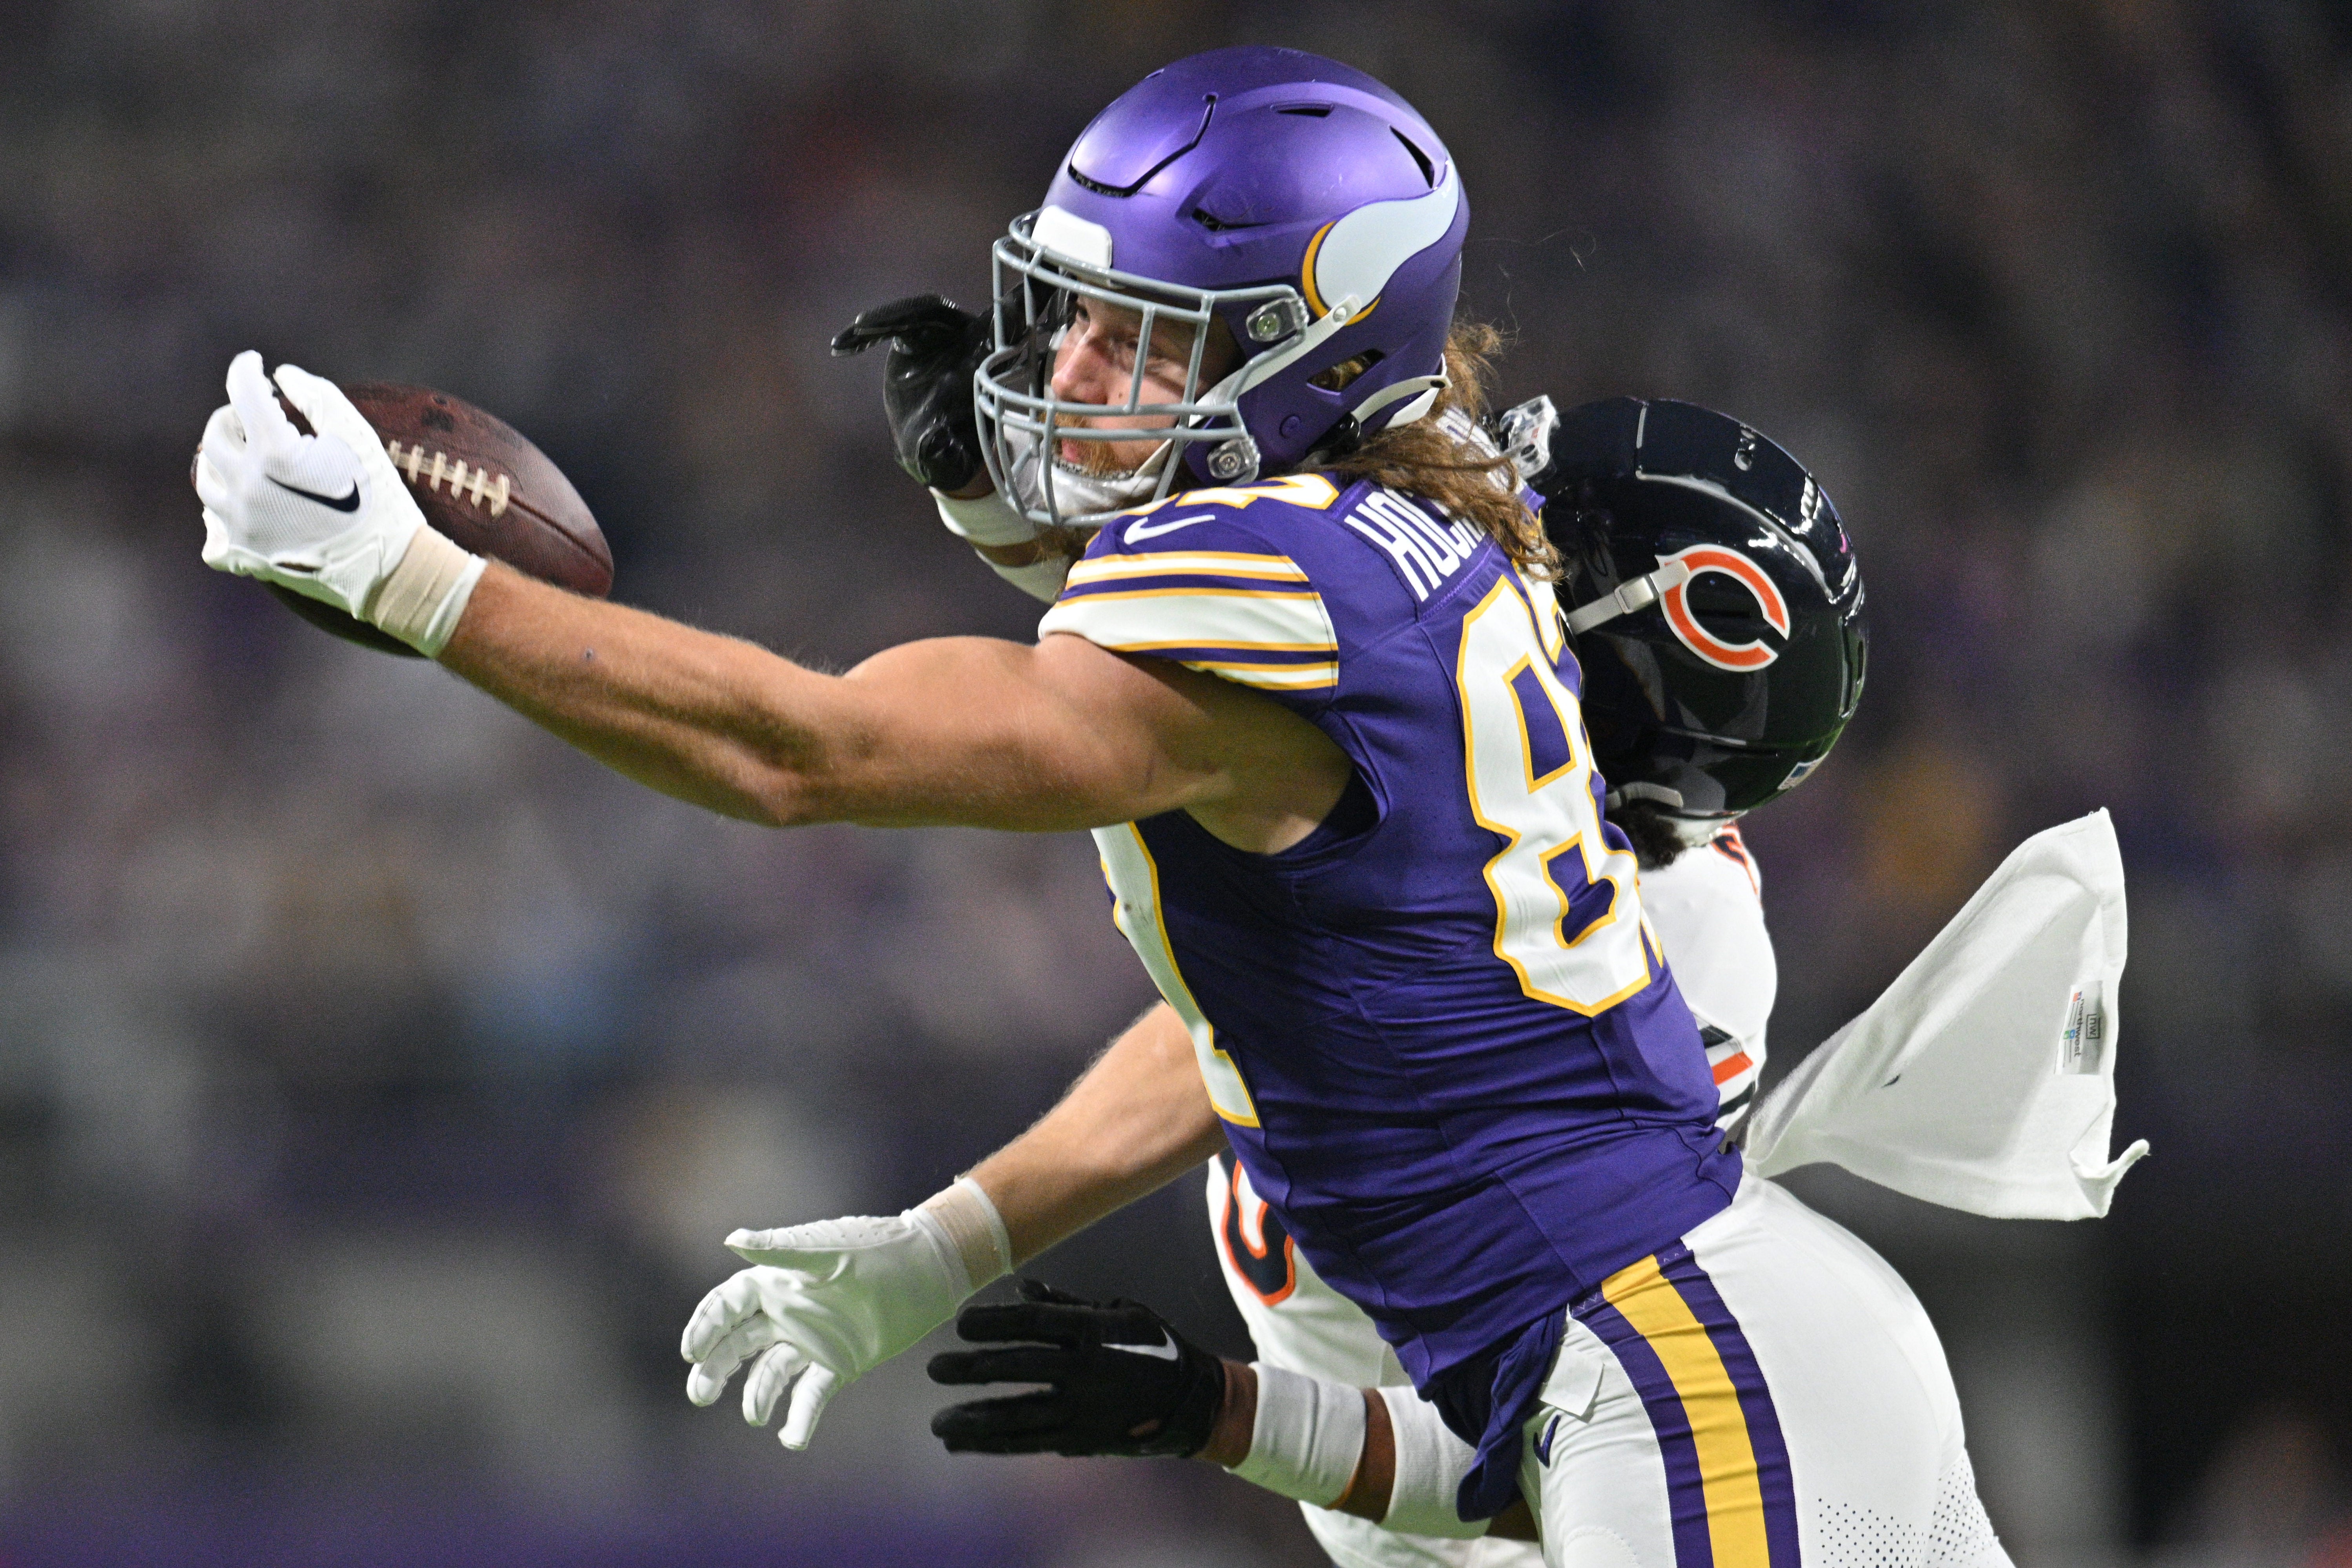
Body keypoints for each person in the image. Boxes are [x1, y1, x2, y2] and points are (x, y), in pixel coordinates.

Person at [191, 46, 1967, 1566]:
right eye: (1080, 321)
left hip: (1688, 1370)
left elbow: (810, 756)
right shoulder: (1403, 539)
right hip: (1670, 1364)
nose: (1066, 379)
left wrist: (419, 585)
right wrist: (988, 1277)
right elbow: (1287, 1056)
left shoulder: (1300, 584)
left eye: (1143, 343)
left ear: (1305, 361)